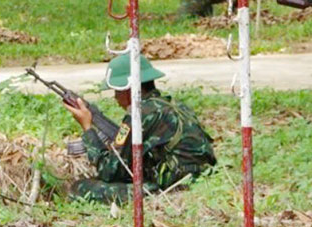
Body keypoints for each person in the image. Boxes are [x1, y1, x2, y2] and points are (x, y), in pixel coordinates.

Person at [66, 51, 217, 203]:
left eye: (117, 91)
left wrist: (87, 128)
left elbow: (108, 172)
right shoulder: (175, 106)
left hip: (171, 188)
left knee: (80, 188)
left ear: (128, 89)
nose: (115, 97)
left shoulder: (139, 114)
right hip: (199, 178)